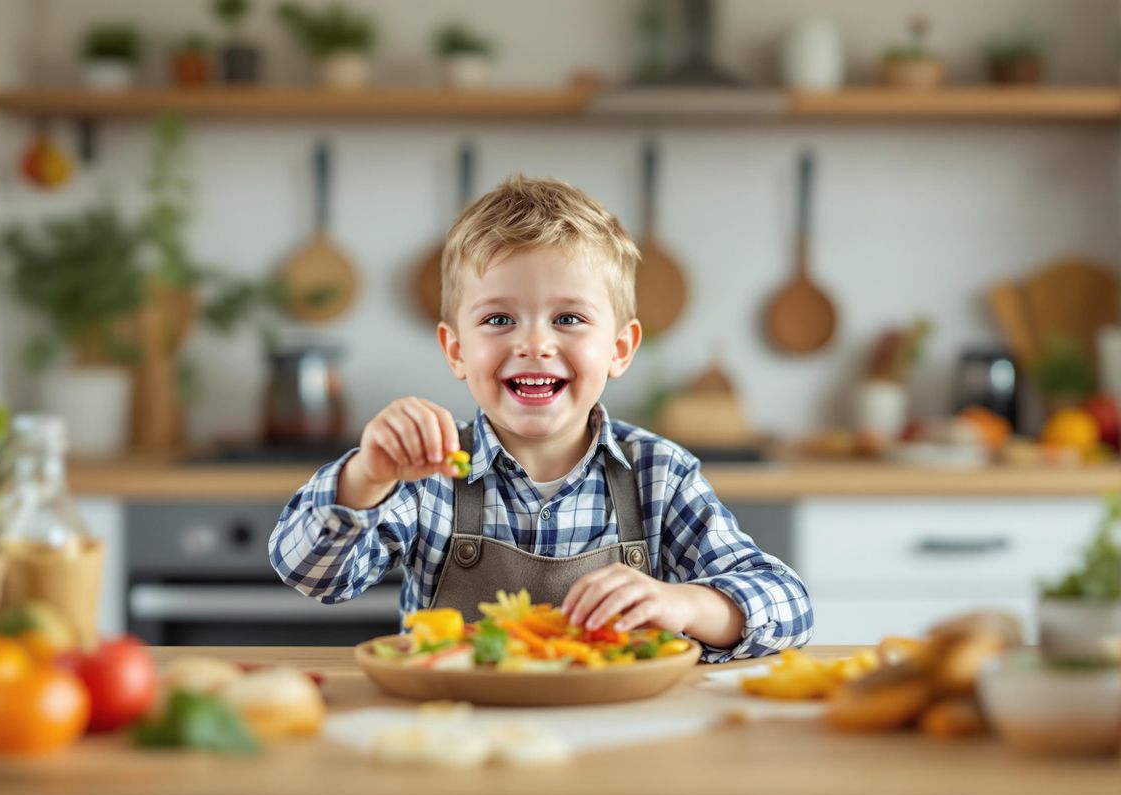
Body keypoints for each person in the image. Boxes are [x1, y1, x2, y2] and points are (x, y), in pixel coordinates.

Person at [269, 175, 812, 661]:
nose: (534, 344)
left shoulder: (660, 475)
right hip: (459, 736)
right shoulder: (425, 475)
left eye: (569, 318)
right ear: (456, 350)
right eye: (499, 318)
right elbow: (310, 574)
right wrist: (368, 476)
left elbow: (789, 605)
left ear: (620, 349)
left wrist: (684, 604)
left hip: (620, 741)